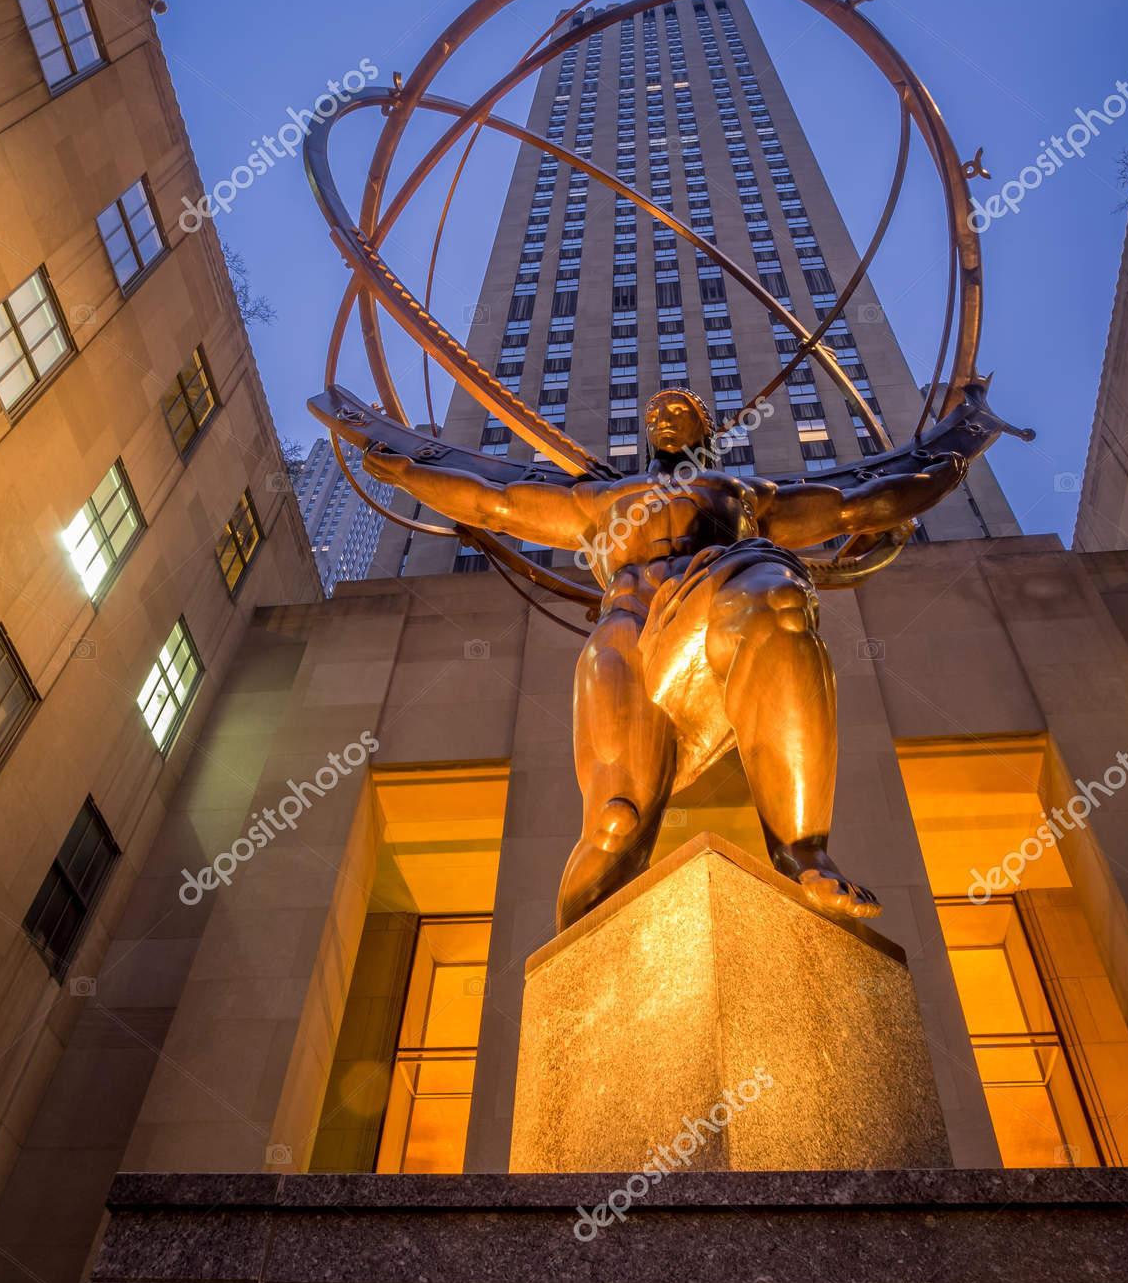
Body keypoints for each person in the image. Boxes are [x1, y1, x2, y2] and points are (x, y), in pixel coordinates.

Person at [364, 388, 967, 932]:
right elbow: (493, 504)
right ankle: (578, 973)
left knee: (775, 594)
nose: (663, 419)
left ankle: (802, 852)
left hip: (714, 604)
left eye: (679, 412)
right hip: (628, 631)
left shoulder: (743, 496)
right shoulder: (602, 499)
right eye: (654, 415)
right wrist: (407, 474)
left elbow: (851, 507)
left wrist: (942, 475)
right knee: (616, 823)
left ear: (706, 430)